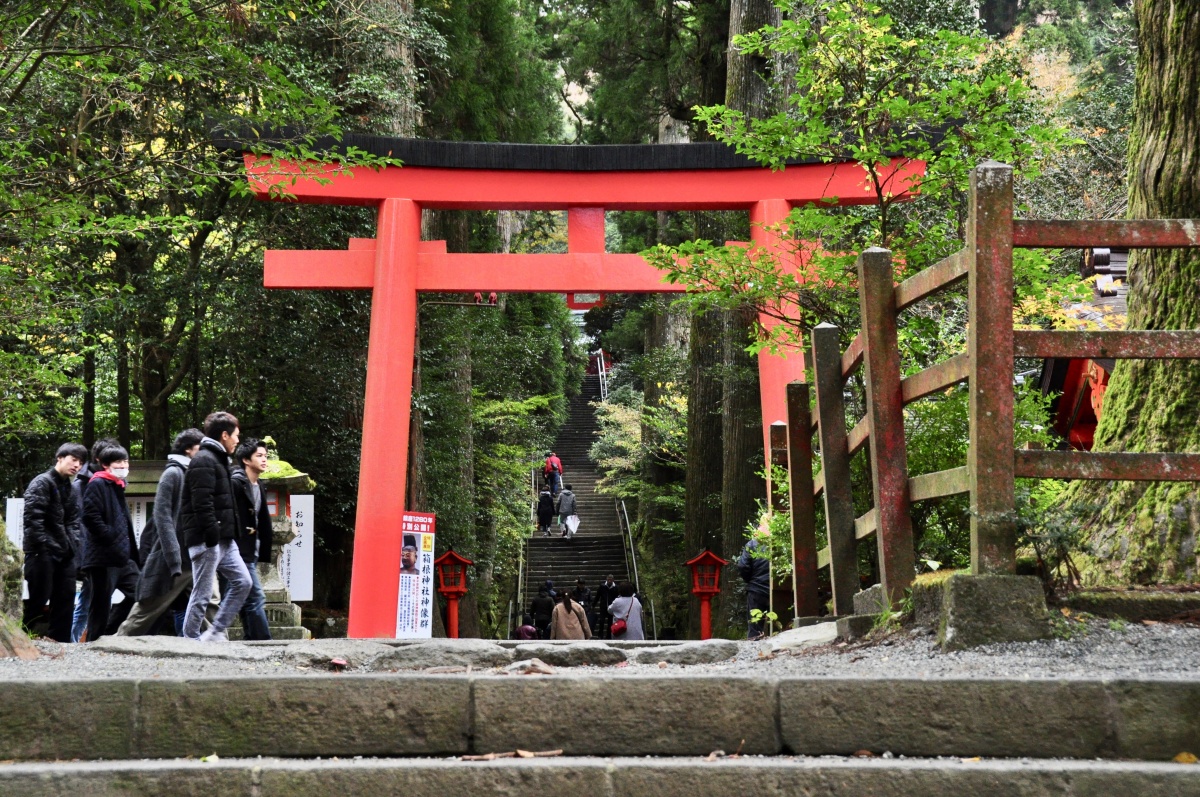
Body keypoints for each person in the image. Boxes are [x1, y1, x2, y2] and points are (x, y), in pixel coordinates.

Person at [116, 429, 204, 636]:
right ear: (189, 449)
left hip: (193, 553)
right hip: (176, 556)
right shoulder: (173, 473)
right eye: (201, 447)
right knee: (151, 605)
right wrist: (173, 554)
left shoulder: (191, 473)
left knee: (208, 602)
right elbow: (162, 517)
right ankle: (120, 638)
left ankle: (219, 643)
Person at [179, 411, 251, 642]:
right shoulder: (204, 460)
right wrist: (211, 536)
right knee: (202, 594)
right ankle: (190, 640)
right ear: (224, 435)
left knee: (243, 581)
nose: (238, 440)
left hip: (224, 539)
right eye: (236, 435)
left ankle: (215, 631)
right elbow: (202, 502)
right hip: (208, 539)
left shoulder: (217, 459)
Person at [21, 442, 88, 641]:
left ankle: (62, 642)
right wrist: (43, 547)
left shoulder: (70, 487)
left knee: (65, 600)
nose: (77, 465)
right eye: (73, 459)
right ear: (60, 457)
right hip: (42, 552)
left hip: (65, 553)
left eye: (81, 462)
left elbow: (74, 520)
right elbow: (33, 519)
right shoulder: (42, 482)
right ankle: (21, 639)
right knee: (37, 600)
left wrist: (72, 547)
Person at [80, 444, 140, 643]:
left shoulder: (117, 485)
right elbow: (89, 515)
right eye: (119, 462)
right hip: (103, 557)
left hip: (122, 557)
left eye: (125, 461)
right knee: (100, 605)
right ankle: (94, 642)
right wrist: (109, 536)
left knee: (139, 593)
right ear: (105, 465)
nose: (124, 465)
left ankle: (108, 632)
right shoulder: (97, 484)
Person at [229, 438, 274, 641]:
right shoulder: (236, 483)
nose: (264, 460)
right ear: (246, 460)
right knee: (255, 596)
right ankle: (263, 641)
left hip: (250, 550)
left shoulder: (258, 485)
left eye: (265, 456)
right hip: (236, 549)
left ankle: (252, 640)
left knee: (245, 596)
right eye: (259, 456)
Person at [70, 438, 114, 642]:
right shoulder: (82, 484)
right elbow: (81, 523)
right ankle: (72, 641)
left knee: (93, 600)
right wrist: (82, 558)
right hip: (91, 554)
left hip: (107, 553)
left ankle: (90, 639)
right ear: (99, 459)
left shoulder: (110, 482)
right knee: (87, 601)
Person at [737, 537, 771, 639]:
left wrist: (750, 581)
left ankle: (754, 650)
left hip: (756, 589)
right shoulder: (781, 543)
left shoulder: (752, 544)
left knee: (755, 628)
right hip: (778, 590)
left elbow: (743, 566)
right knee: (779, 624)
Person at [594, 574, 620, 639]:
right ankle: (600, 635)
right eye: (608, 579)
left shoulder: (616, 587)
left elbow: (618, 597)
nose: (609, 581)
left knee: (610, 622)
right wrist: (593, 604)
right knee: (601, 621)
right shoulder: (602, 586)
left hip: (611, 607)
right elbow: (598, 596)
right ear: (606, 579)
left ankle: (608, 635)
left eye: (611, 579)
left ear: (613, 580)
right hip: (603, 606)